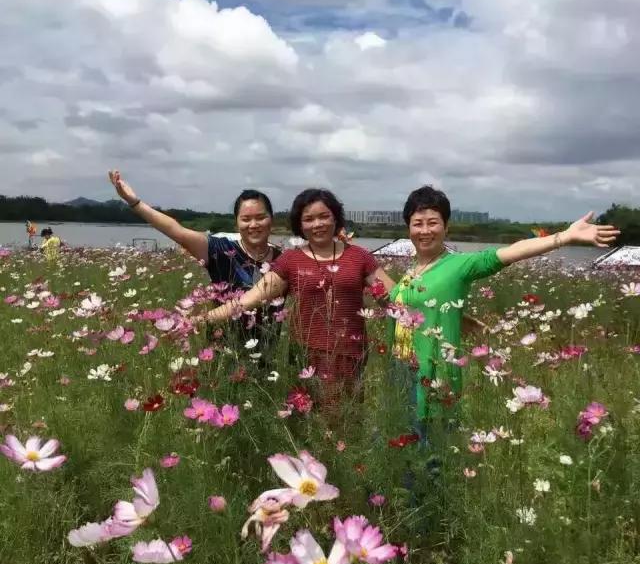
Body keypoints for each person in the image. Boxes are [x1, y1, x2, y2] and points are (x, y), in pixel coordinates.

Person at [388, 185, 620, 438]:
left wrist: (563, 237)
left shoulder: (459, 264)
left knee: (429, 455)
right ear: (408, 228)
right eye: (417, 223)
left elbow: (508, 253)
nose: (424, 231)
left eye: (432, 223)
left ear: (446, 227)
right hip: (401, 369)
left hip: (433, 374)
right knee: (402, 454)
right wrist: (460, 319)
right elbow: (414, 309)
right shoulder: (412, 271)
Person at [202, 188, 396, 409]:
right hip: (305, 357)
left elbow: (394, 298)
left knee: (346, 422)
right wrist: (204, 318)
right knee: (307, 426)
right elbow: (249, 299)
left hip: (348, 355)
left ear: (336, 217)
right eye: (309, 219)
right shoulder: (290, 260)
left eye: (324, 216)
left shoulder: (359, 257)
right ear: (300, 225)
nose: (317, 224)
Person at [108, 171, 283, 343]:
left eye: (260, 217)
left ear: (271, 220)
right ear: (236, 223)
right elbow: (176, 231)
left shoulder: (284, 260)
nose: (253, 225)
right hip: (223, 350)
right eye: (246, 219)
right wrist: (134, 202)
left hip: (269, 354)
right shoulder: (221, 249)